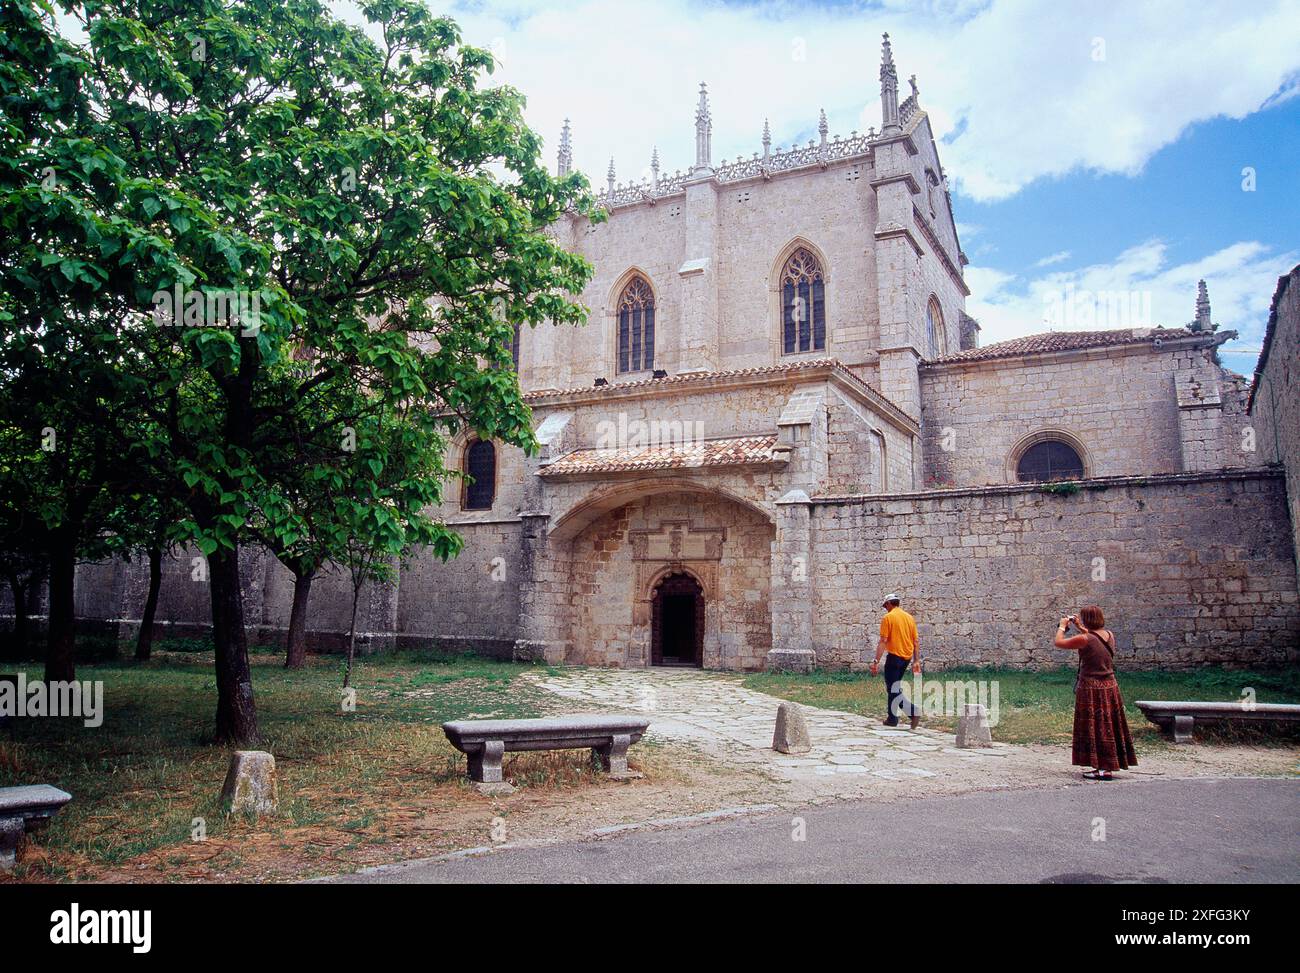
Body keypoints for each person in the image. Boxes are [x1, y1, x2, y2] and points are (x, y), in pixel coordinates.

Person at [1054, 605, 1137, 780]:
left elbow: (1059, 642)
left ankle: (1103, 768)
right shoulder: (1109, 635)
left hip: (1092, 689)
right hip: (1110, 686)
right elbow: (1095, 638)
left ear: (1087, 620)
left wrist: (1062, 626)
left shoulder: (1085, 639)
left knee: (1096, 727)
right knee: (1108, 726)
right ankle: (1108, 764)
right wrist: (1080, 627)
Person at [869, 593, 921, 729]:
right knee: (894, 687)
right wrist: (916, 660)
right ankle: (892, 719)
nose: (885, 608)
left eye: (885, 606)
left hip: (894, 657)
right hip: (907, 658)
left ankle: (913, 712)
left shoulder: (888, 618)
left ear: (889, 604)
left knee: (892, 688)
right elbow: (915, 641)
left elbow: (883, 641)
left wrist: (875, 661)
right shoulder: (909, 618)